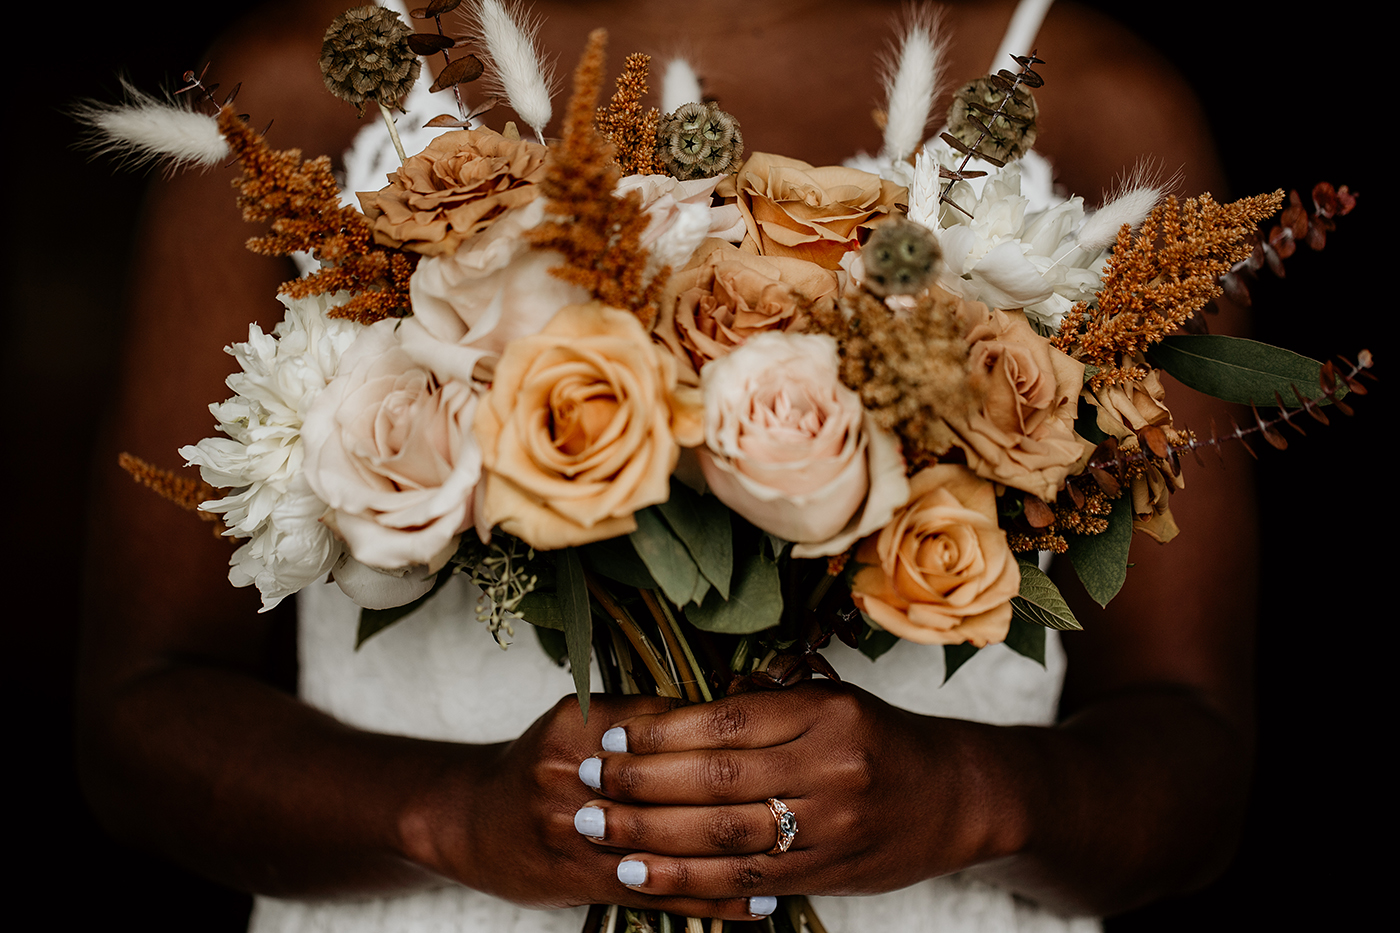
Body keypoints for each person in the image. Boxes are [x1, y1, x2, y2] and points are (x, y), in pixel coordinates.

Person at [76, 1, 1256, 929]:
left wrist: (970, 799)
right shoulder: (293, 92)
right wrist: (442, 816)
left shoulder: (1101, 106)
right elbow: (138, 716)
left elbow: (1191, 753)